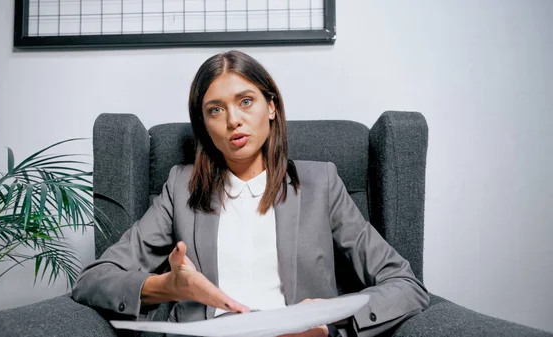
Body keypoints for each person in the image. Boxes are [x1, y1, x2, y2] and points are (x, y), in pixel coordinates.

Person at [72, 50, 430, 337]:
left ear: (271, 107)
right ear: (205, 127)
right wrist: (167, 286)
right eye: (216, 110)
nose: (233, 121)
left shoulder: (321, 182)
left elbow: (405, 284)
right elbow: (93, 280)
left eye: (245, 101)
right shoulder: (179, 187)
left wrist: (331, 321)